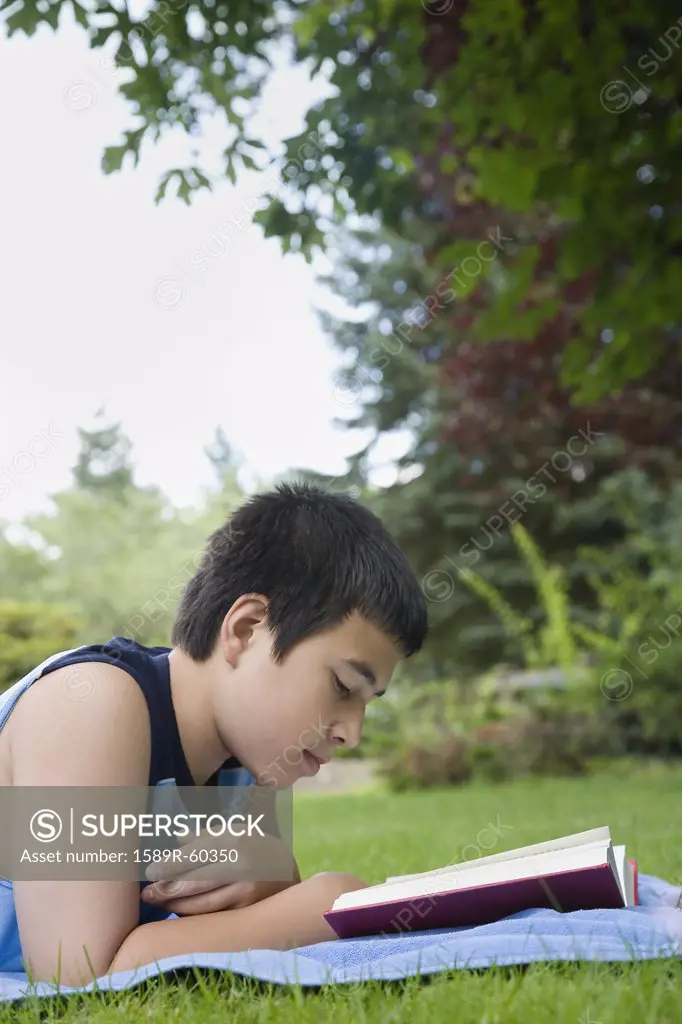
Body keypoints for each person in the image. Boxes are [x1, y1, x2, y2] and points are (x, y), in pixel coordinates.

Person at [0, 483, 428, 986]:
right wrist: (325, 906)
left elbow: (234, 907)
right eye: (341, 686)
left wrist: (272, 875)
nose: (351, 733)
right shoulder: (89, 702)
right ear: (246, 630)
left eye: (365, 704)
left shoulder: (250, 761)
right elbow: (77, 970)